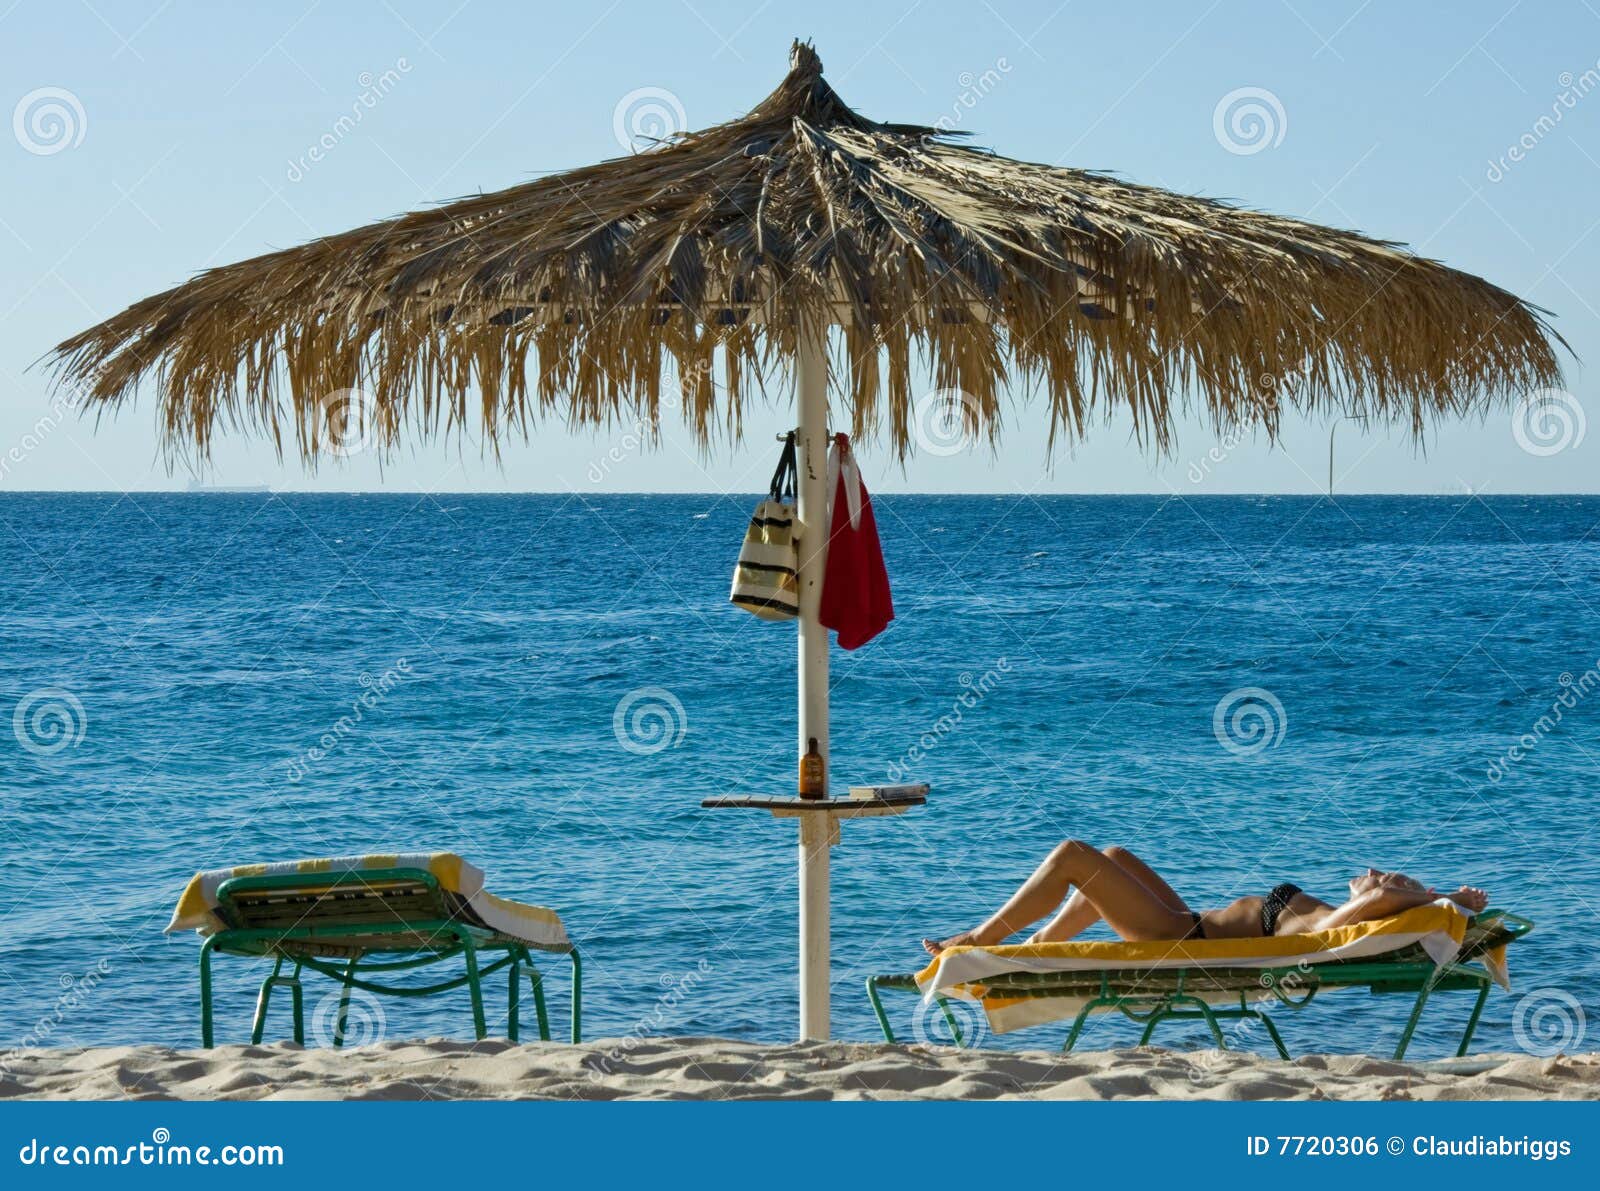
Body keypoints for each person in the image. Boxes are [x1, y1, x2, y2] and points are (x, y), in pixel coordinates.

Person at [922, 840, 1488, 954]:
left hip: (1178, 940)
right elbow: (1384, 897)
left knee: (1073, 854)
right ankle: (1039, 948)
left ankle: (979, 938)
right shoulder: (1333, 913)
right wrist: (1439, 898)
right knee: (1114, 856)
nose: (1370, 869)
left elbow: (1378, 901)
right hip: (1187, 921)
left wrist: (1434, 898)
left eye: (1383, 873)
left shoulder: (1333, 923)